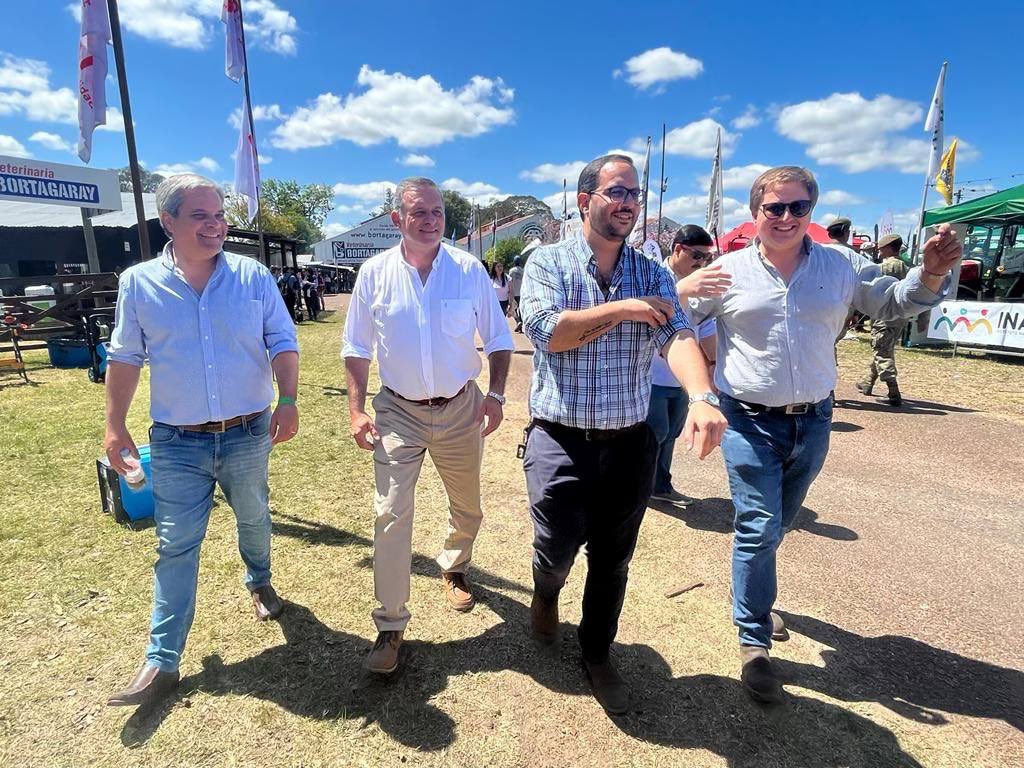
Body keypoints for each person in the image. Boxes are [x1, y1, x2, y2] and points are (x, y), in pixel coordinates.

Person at [688, 166, 961, 704]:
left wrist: (929, 275)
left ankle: (756, 589)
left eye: (798, 207)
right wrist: (698, 387)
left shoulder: (841, 266)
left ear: (811, 211)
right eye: (775, 208)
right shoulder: (726, 271)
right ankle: (754, 639)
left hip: (814, 420)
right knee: (759, 524)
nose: (787, 217)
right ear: (756, 213)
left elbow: (893, 304)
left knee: (781, 522)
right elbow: (672, 318)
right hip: (748, 419)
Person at [519, 154, 727, 715]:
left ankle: (597, 650)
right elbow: (546, 332)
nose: (628, 202)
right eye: (616, 192)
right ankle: (545, 592)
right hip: (559, 438)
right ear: (585, 201)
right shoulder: (547, 263)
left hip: (630, 441)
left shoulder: (653, 271)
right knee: (557, 543)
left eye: (634, 193)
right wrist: (628, 309)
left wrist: (703, 397)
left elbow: (678, 337)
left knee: (613, 558)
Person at [103, 173, 300, 708]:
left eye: (219, 216)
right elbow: (125, 355)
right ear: (168, 222)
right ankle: (161, 661)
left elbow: (282, 339)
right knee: (175, 545)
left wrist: (287, 399)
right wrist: (115, 423)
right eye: (200, 216)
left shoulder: (252, 276)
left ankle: (258, 578)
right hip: (176, 441)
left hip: (248, 430)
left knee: (254, 515)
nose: (215, 226)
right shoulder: (139, 283)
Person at [342, 177, 514, 675]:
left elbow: (499, 337)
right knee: (391, 514)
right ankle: (390, 625)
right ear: (397, 218)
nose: (431, 220)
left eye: (437, 211)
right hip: (398, 412)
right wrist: (356, 410)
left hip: (462, 407)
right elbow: (355, 348)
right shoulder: (374, 274)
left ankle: (455, 565)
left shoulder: (469, 270)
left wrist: (497, 395)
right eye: (419, 212)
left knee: (468, 505)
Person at [646, 225, 720, 506]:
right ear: (678, 249)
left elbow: (707, 326)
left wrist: (711, 365)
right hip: (651, 375)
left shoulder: (700, 284)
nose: (702, 263)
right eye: (697, 256)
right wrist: (682, 291)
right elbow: (654, 312)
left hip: (681, 378)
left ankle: (660, 485)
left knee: (671, 433)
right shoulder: (654, 275)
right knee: (656, 433)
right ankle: (639, 487)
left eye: (706, 258)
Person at [857, 233, 910, 405]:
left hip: (883, 315)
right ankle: (867, 382)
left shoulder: (882, 268)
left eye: (880, 248)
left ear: (887, 248)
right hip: (900, 316)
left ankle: (893, 392)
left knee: (881, 350)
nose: (878, 251)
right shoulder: (908, 269)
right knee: (884, 347)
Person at [508, 254, 526, 333]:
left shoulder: (511, 271)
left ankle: (518, 321)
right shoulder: (523, 270)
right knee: (521, 308)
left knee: (514, 309)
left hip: (514, 292)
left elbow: (509, 281)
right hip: (521, 292)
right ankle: (522, 323)